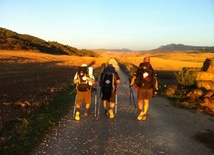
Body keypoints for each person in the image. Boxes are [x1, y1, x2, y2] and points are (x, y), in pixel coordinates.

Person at [129, 56, 158, 121]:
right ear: (149, 61)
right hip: (149, 88)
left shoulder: (140, 69)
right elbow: (155, 80)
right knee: (146, 101)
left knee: (140, 100)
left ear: (143, 60)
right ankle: (144, 114)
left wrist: (131, 84)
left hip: (141, 87)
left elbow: (134, 77)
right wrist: (156, 88)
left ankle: (140, 111)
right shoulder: (152, 69)